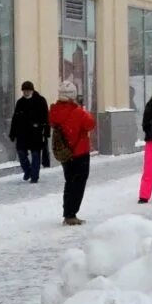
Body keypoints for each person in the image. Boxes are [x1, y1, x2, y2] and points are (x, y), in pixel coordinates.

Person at [47, 84, 96, 225]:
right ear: (73, 95)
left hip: (65, 152)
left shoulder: (54, 110)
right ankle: (71, 214)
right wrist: (81, 108)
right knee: (78, 183)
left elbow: (52, 122)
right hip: (79, 152)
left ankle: (67, 212)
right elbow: (90, 124)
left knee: (69, 182)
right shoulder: (78, 112)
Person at [10, 81, 51, 183]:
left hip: (35, 132)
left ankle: (34, 176)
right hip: (22, 133)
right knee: (21, 152)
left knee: (36, 154)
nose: (26, 93)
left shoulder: (40, 101)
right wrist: (13, 133)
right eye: (24, 91)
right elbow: (15, 118)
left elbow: (46, 117)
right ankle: (27, 170)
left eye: (28, 90)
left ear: (32, 90)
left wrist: (46, 131)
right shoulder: (20, 102)